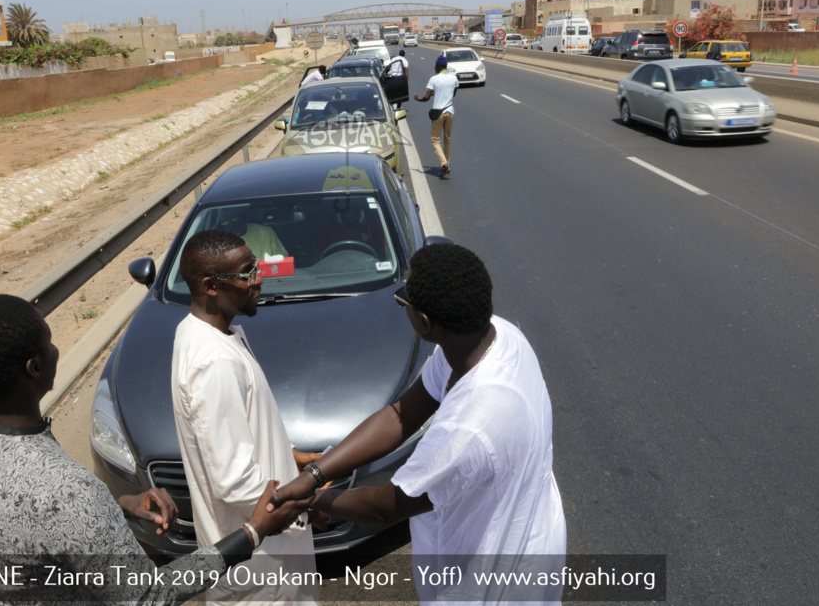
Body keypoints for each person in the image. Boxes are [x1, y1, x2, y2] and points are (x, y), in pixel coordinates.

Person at [0, 294, 310, 604]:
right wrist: (253, 532)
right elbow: (147, 596)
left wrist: (116, 507)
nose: (56, 349)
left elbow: (32, 522)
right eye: (49, 342)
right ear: (33, 368)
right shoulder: (68, 492)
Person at [270, 243, 567, 604]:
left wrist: (315, 500)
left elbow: (387, 505)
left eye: (403, 301)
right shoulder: (494, 338)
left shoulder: (469, 425)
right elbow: (401, 414)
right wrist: (314, 474)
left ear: (424, 322)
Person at [171, 230, 320, 605]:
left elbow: (235, 432)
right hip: (264, 571)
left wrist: (286, 456)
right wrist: (306, 504)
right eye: (247, 273)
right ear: (211, 286)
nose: (259, 279)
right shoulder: (214, 362)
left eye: (257, 267)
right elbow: (235, 482)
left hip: (270, 560)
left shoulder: (211, 333)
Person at [413, 54, 459, 178]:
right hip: (450, 112)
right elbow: (453, 94)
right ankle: (447, 163)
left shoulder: (434, 79)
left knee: (435, 140)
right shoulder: (454, 78)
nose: (434, 67)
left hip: (438, 114)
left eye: (435, 66)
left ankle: (444, 164)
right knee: (447, 139)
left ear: (438, 66)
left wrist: (418, 98)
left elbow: (427, 97)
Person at [216, 206, 289, 260]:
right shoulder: (217, 241)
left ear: (242, 217)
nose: (230, 225)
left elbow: (283, 262)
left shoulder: (264, 232)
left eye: (233, 220)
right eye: (225, 222)